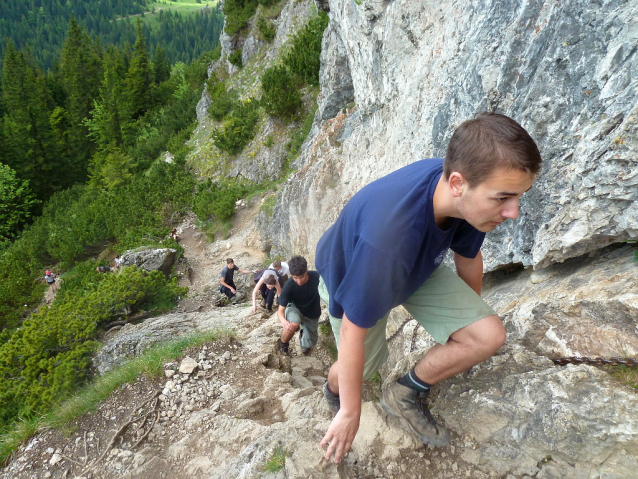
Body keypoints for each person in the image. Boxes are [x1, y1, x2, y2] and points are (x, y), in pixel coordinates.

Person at [315, 112, 542, 463]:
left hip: (415, 265)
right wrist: (349, 411)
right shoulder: (387, 242)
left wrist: (463, 322)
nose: (512, 212)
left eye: (518, 197)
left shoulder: (469, 194)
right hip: (355, 271)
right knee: (362, 368)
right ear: (456, 183)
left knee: (487, 335)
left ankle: (403, 393)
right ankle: (332, 389)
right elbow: (352, 331)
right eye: (503, 198)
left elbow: (468, 256)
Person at [277, 255, 322, 355]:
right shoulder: (289, 286)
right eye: (295, 278)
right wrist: (284, 322)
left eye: (302, 276)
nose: (299, 281)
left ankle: (303, 336)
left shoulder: (317, 277)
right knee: (292, 325)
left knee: (310, 343)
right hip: (294, 308)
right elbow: (280, 311)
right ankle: (283, 346)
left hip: (312, 312)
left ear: (306, 271)